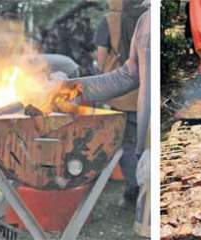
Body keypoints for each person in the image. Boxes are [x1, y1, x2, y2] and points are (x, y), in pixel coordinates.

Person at [48, 0, 150, 210]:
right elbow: (128, 74)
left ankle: (132, 192)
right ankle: (134, 191)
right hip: (146, 141)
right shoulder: (144, 21)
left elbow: (103, 59)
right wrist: (70, 88)